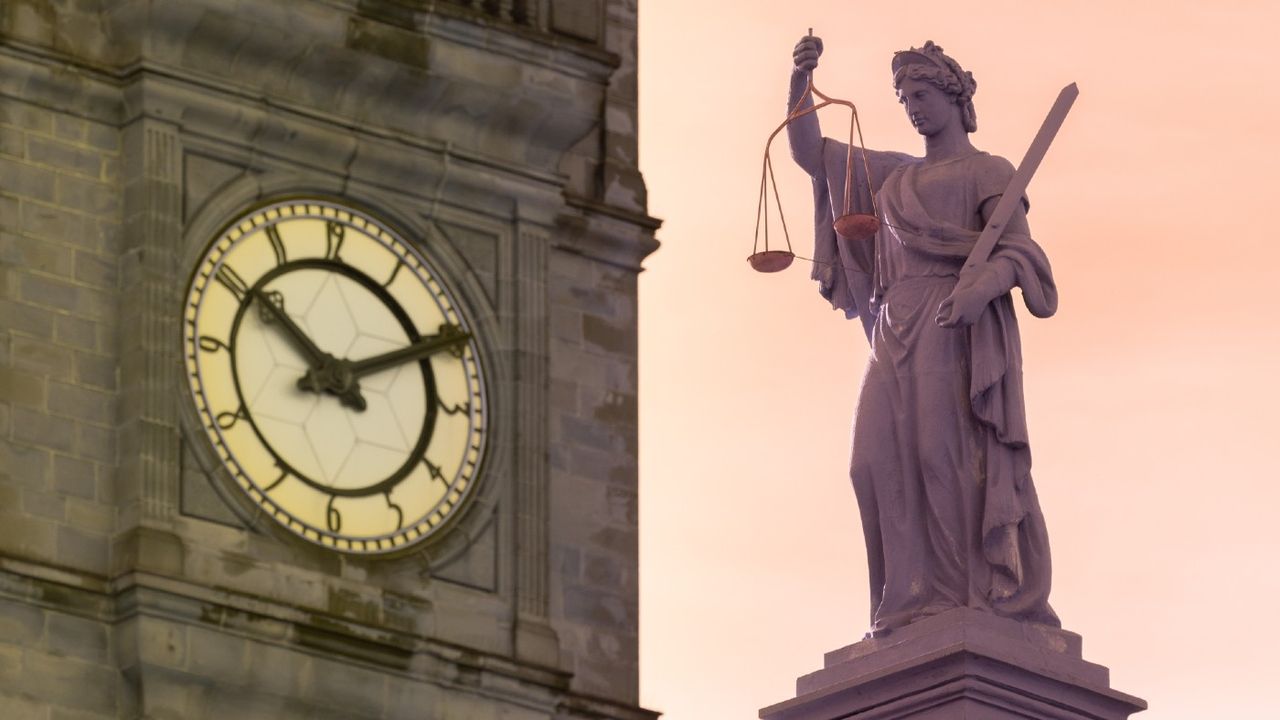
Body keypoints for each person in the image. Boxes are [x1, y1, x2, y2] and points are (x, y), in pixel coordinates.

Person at [788, 36, 1060, 635]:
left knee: (943, 454)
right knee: (871, 460)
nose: (913, 106)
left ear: (954, 97)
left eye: (923, 93)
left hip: (953, 322)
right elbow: (811, 154)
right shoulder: (891, 178)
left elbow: (1022, 256)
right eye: (905, 97)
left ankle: (962, 595)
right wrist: (800, 83)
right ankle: (905, 596)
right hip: (895, 323)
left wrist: (980, 286)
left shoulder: (990, 172)